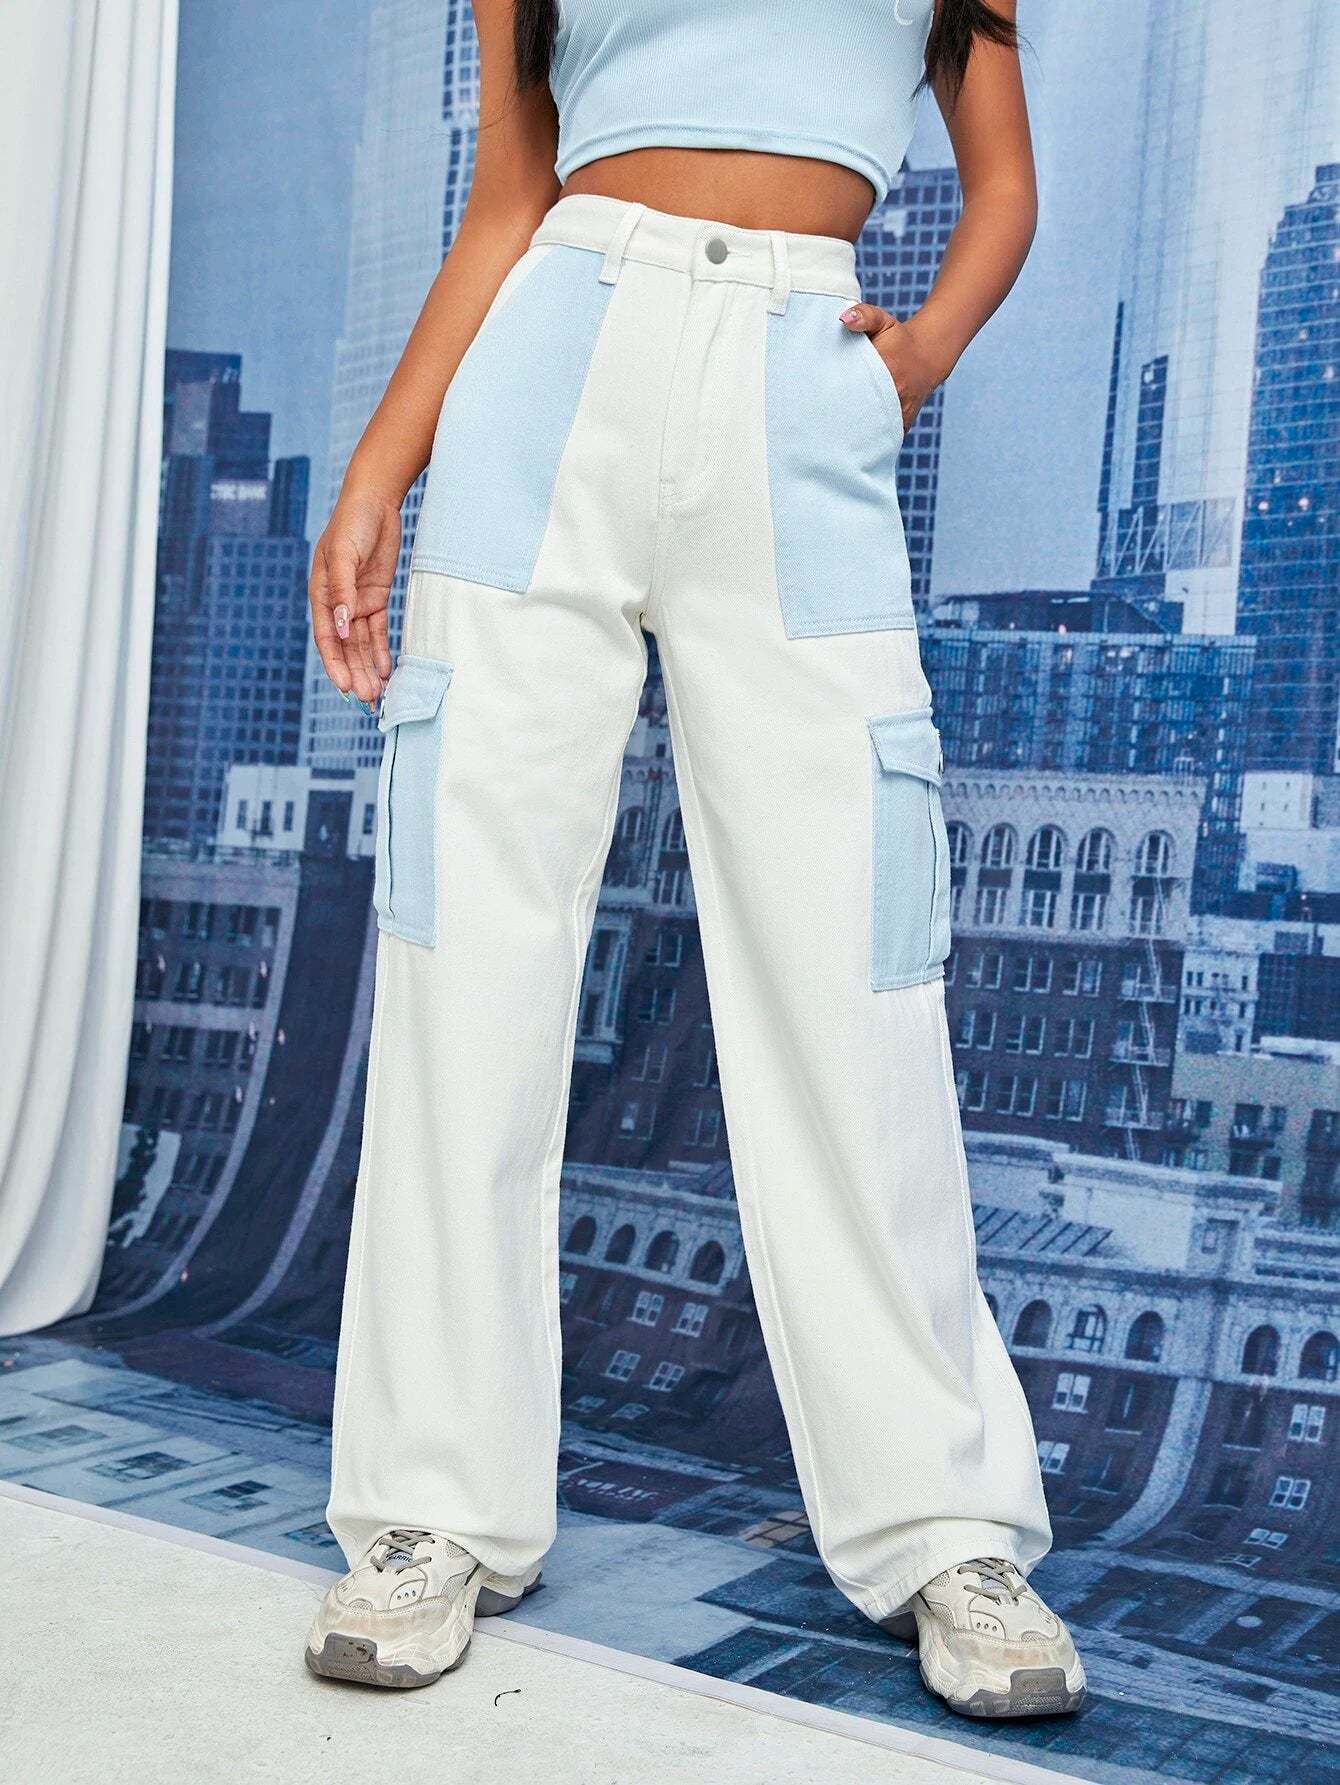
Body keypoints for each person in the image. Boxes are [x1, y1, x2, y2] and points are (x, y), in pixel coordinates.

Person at [303, 0, 1087, 1720]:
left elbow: (1007, 186)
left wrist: (909, 362)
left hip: (800, 401)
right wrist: (380, 466)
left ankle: (947, 1526)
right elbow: (510, 199)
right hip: (546, 382)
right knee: (465, 960)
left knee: (858, 983)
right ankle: (431, 1507)